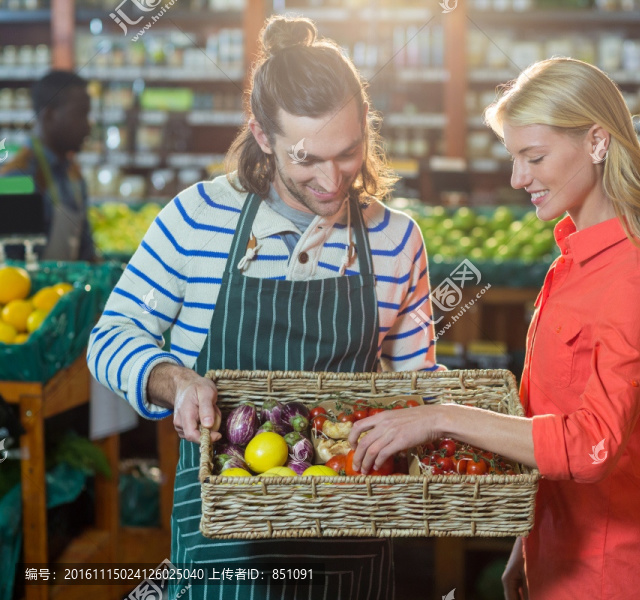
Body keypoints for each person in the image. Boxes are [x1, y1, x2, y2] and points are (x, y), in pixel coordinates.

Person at [86, 16, 439, 599]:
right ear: (262, 135)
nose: (331, 180)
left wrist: (444, 411)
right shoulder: (197, 218)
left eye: (348, 153)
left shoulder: (396, 239)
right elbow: (112, 335)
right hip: (221, 546)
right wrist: (171, 379)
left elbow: (416, 381)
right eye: (307, 160)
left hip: (347, 541)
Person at [348, 58, 640, 600]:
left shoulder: (639, 277)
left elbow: (590, 446)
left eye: (533, 157)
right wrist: (529, 535)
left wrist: (441, 417)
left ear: (596, 141)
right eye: (515, 158)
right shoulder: (573, 259)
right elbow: (550, 419)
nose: (518, 179)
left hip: (614, 571)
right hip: (557, 551)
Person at [0, 70, 95, 261]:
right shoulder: (17, 177)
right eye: (81, 114)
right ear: (50, 116)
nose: (88, 125)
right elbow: (15, 265)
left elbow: (87, 253)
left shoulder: (73, 173)